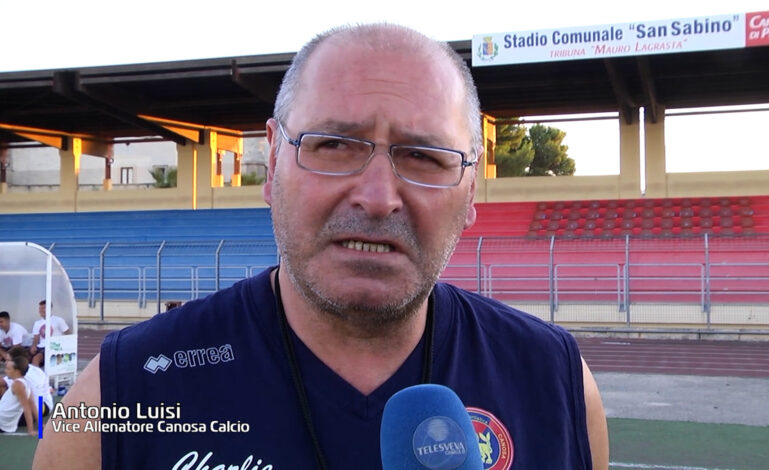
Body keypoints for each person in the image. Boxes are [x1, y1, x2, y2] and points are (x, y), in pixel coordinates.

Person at [34, 23, 608, 469]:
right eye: (333, 144)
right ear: (273, 162)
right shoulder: (117, 396)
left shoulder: (555, 384)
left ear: (471, 189)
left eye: (423, 156)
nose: (378, 198)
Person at [5, 345, 54, 417]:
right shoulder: (30, 369)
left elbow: (32, 403)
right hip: (42, 405)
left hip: (40, 407)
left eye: (8, 360)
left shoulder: (25, 377)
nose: (5, 363)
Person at [0, 355, 36, 435]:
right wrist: (40, 424)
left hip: (2, 421)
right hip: (5, 421)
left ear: (17, 371)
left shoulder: (18, 385)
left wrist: (30, 430)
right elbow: (32, 404)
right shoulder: (25, 382)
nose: (6, 371)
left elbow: (26, 408)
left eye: (8, 369)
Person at [30, 300, 71, 367]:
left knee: (36, 359)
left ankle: (35, 373)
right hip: (41, 347)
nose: (41, 310)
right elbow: (36, 338)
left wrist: (65, 347)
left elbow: (68, 334)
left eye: (43, 308)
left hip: (53, 347)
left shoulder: (58, 320)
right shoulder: (37, 323)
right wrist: (33, 346)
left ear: (49, 309)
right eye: (40, 308)